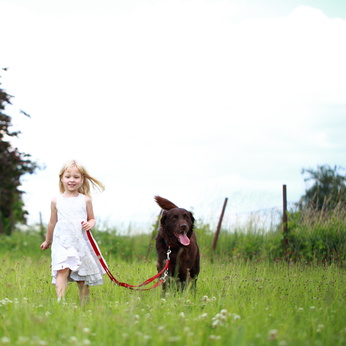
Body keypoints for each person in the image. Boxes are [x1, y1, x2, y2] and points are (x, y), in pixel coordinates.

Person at [40, 160, 106, 304]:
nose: (72, 180)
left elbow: (92, 218)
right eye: (68, 176)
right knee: (61, 269)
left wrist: (90, 223)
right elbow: (52, 222)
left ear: (82, 179)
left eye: (76, 177)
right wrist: (48, 240)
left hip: (80, 242)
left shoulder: (86, 200)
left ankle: (84, 306)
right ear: (62, 179)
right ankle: (60, 301)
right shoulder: (56, 201)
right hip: (62, 242)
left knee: (82, 277)